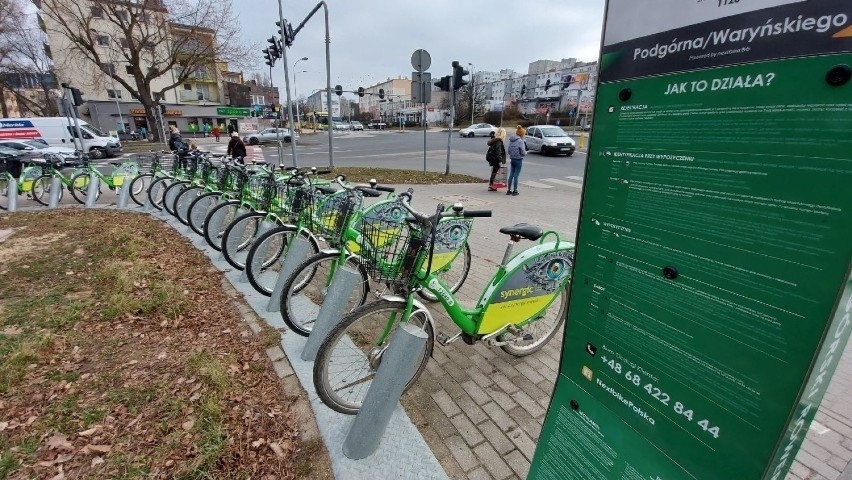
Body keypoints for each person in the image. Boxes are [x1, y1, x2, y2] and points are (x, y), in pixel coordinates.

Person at [506, 125, 527, 196]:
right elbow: (523, 152)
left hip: (512, 159)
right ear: (521, 134)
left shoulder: (511, 140)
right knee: (516, 175)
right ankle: (515, 191)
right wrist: (525, 153)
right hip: (518, 159)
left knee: (511, 174)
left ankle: (509, 190)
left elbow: (508, 151)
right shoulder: (520, 141)